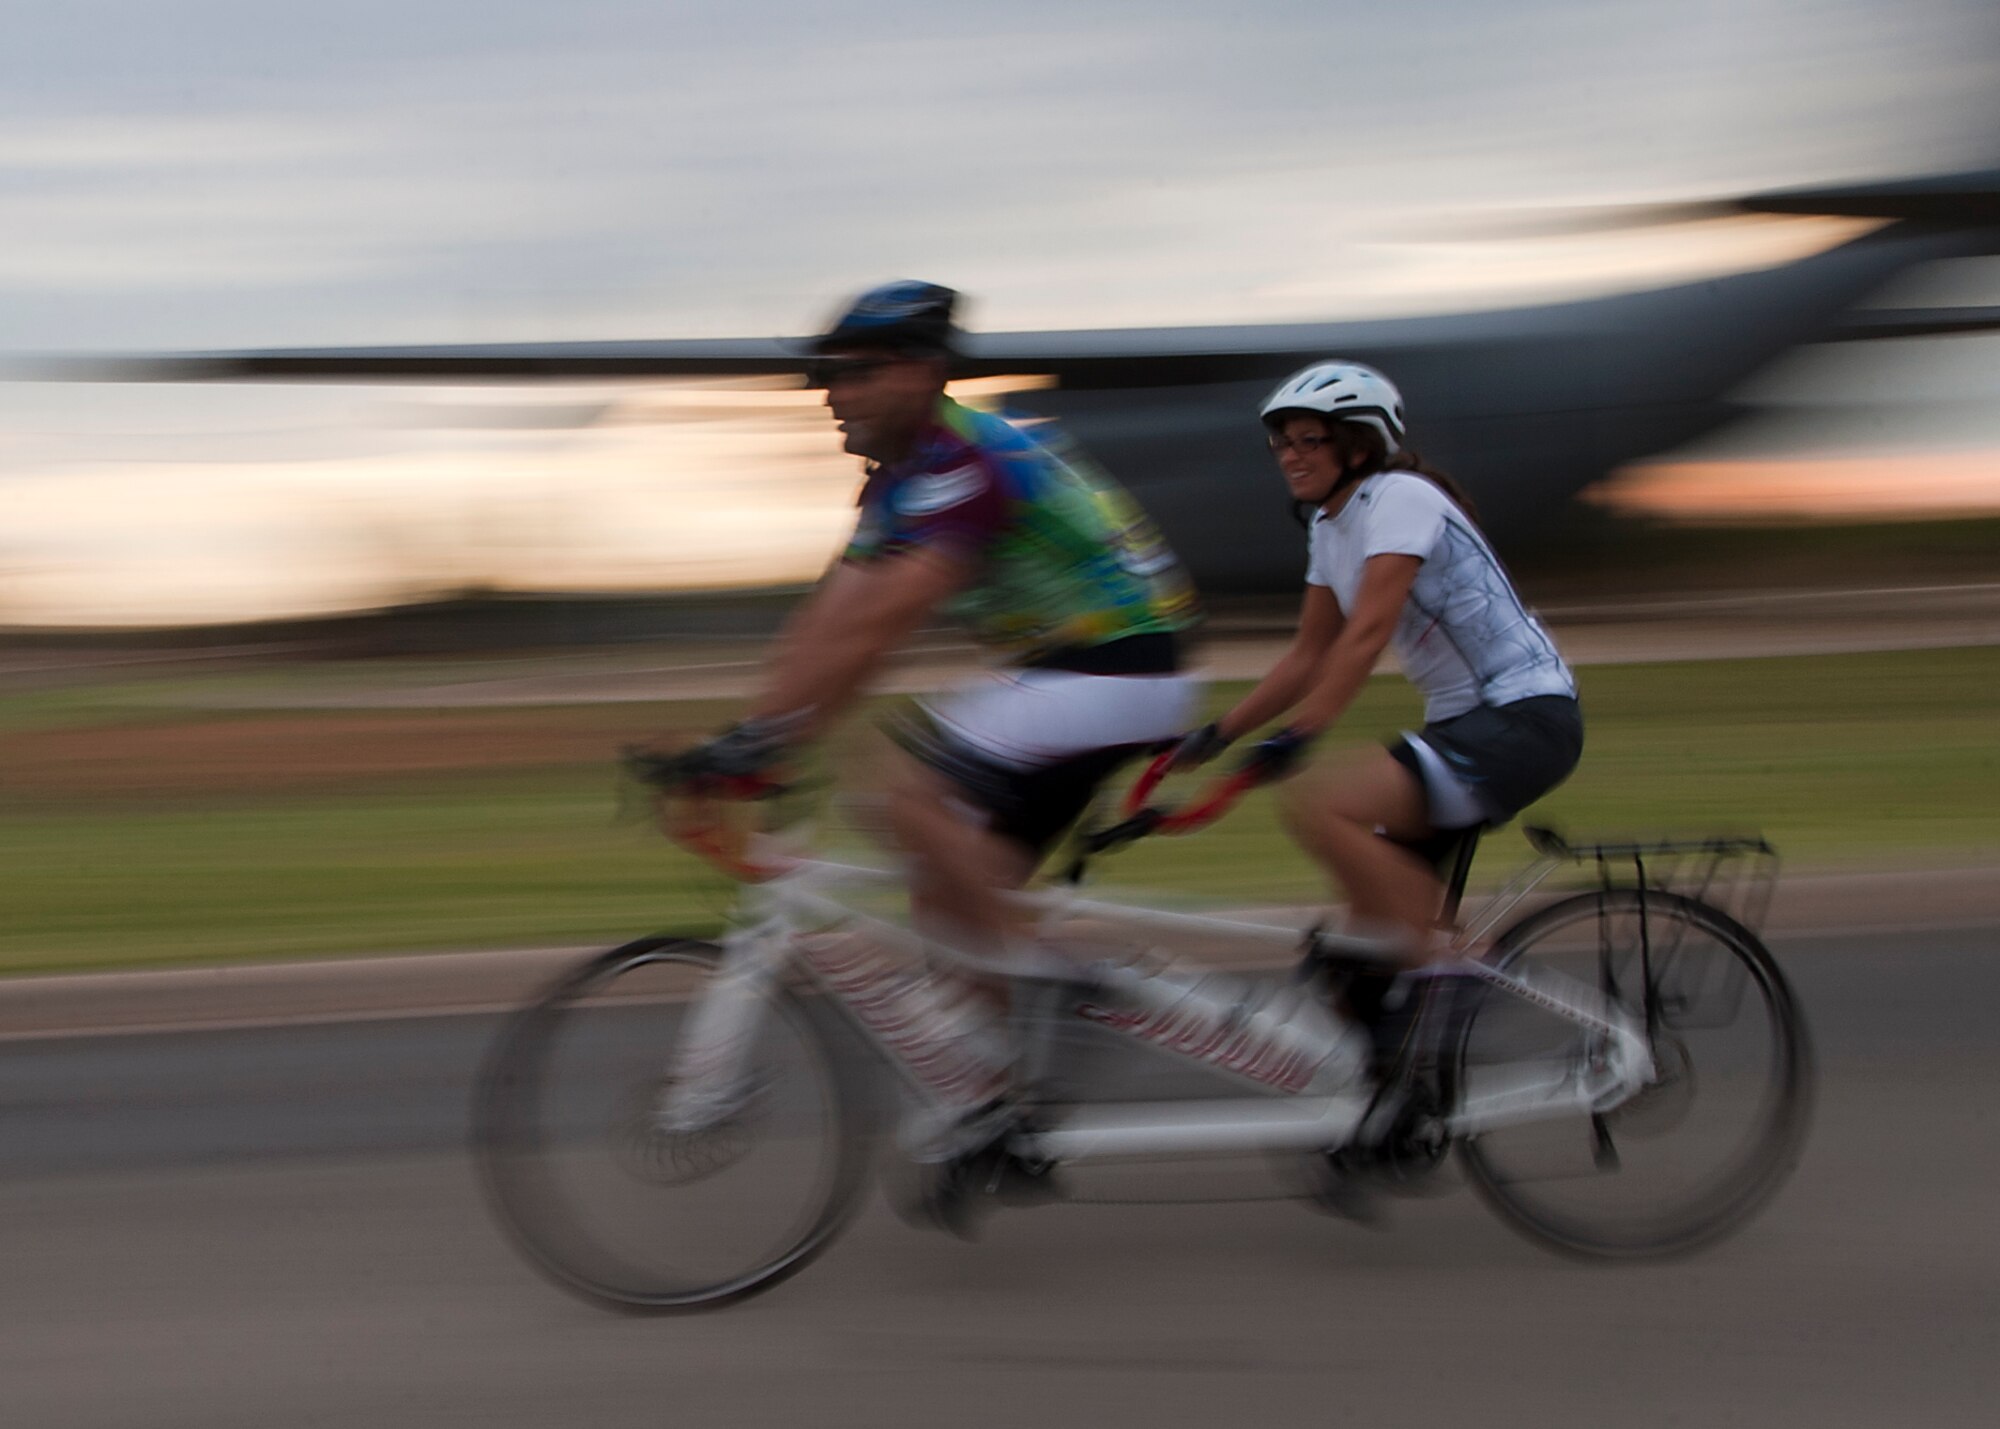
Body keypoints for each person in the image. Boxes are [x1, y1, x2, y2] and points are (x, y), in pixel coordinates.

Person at [675, 281, 1201, 1205]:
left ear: (922, 373)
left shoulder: (965, 463)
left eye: (853, 373)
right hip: (1064, 676)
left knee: (901, 792)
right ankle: (1002, 1113)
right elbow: (826, 622)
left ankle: (1064, 987)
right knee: (947, 889)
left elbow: (882, 628)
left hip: (1119, 666)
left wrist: (774, 742)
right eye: (822, 377)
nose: (831, 393)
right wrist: (745, 736)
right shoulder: (898, 482)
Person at [1167, 360, 1582, 1009]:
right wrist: (1216, 734)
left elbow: (1367, 633)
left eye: (1311, 440)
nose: (1290, 455)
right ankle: (1411, 1081)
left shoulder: (1399, 496)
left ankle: (1461, 975)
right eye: (1282, 441)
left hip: (1524, 716)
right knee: (1362, 957)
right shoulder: (1332, 527)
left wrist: (1300, 736)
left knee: (1322, 803)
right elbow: (1308, 655)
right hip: (1468, 725)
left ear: (1359, 445)